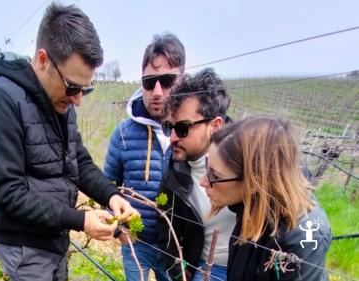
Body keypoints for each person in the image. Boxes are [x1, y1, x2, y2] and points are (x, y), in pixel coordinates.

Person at [0, 3, 137, 280]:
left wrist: (111, 195)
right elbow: (7, 194)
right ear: (43, 59)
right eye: (72, 87)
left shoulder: (59, 101)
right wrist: (79, 220)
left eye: (84, 89)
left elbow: (78, 160)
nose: (78, 100)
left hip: (54, 237)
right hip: (25, 247)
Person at [201, 116, 331, 281]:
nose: (203, 181)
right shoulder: (252, 204)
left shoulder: (303, 237)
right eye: (207, 167)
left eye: (215, 175)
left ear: (255, 181)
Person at [104, 33, 185, 281]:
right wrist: (119, 230)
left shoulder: (192, 133)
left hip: (176, 249)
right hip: (136, 244)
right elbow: (106, 184)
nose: (157, 91)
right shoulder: (124, 134)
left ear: (182, 79)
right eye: (150, 82)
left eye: (167, 80)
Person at [157, 68, 235, 281]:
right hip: (203, 270)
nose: (172, 138)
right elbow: (166, 228)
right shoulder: (174, 168)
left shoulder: (248, 159)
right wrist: (177, 270)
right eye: (168, 127)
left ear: (215, 126)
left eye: (182, 128)